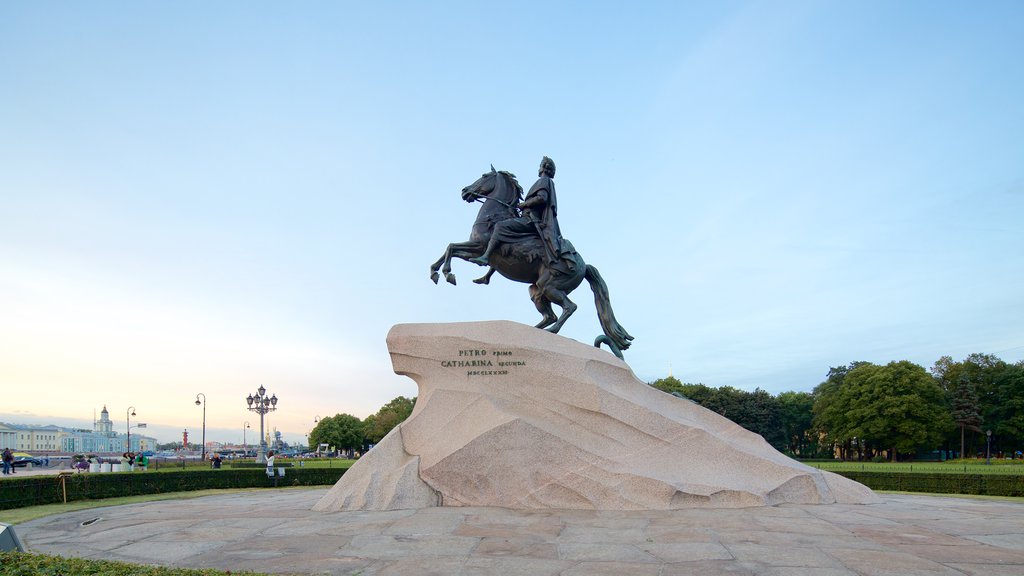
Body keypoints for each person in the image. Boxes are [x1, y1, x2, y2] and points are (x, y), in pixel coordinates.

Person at [470, 156, 570, 271]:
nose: (539, 168)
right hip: (529, 217)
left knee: (500, 226)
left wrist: (524, 204)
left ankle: (485, 257)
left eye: (540, 165)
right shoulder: (545, 181)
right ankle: (489, 273)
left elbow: (542, 198)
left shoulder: (544, 180)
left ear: (543, 167)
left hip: (531, 220)